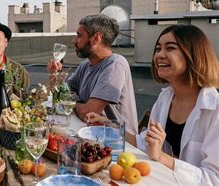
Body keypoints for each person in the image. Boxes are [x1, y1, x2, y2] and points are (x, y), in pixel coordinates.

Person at [87, 24, 219, 185]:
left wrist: (161, 157)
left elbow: (213, 178)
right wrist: (108, 124)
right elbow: (143, 142)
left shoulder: (215, 109)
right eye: (158, 49)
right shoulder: (165, 98)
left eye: (170, 48)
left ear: (194, 55)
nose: (160, 55)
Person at [48, 14, 138, 135]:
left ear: (96, 38)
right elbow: (62, 94)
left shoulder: (116, 65)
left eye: (79, 35)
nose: (74, 40)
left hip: (118, 141)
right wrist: (56, 75)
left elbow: (88, 113)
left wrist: (72, 103)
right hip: (90, 132)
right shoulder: (86, 65)